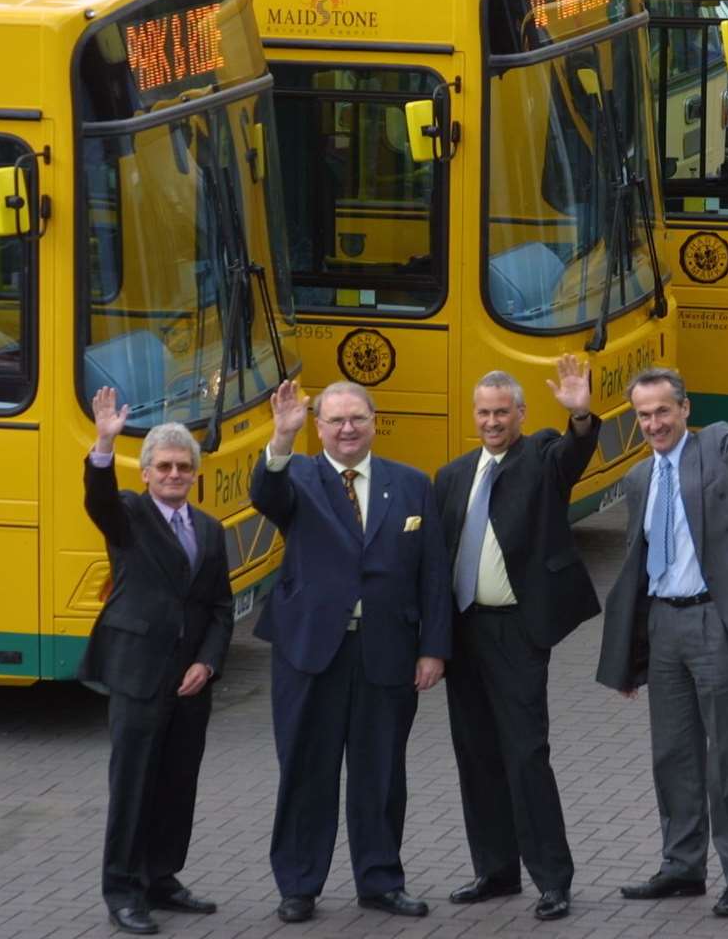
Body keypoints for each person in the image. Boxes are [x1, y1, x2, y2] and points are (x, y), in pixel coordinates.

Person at [595, 334, 728, 918]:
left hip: (715, 622)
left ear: (685, 409)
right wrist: (632, 655)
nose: (653, 423)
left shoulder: (719, 448)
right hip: (664, 628)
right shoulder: (637, 480)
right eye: (644, 414)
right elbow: (635, 575)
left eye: (662, 411)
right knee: (673, 754)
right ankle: (682, 867)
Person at [250, 379, 452, 924]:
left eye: (356, 419)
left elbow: (432, 572)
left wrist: (433, 649)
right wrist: (281, 438)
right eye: (335, 420)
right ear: (319, 427)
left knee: (381, 774)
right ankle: (299, 885)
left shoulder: (411, 485)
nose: (346, 429)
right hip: (310, 652)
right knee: (305, 771)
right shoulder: (295, 475)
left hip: (386, 652)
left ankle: (381, 880)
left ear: (373, 421)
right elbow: (264, 497)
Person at [432, 356, 601, 922]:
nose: (492, 421)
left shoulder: (542, 456)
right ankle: (495, 871)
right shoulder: (454, 475)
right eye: (484, 412)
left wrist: (580, 415)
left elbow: (573, 455)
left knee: (526, 754)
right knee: (475, 755)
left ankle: (553, 879)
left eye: (502, 412)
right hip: (465, 632)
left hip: (516, 632)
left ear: (522, 414)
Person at [79, 388, 233, 937]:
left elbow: (219, 605)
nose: (173, 474)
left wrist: (209, 663)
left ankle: (162, 877)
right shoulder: (128, 515)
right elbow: (97, 497)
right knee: (134, 783)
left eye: (182, 467)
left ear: (195, 474)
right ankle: (122, 890)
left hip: (191, 680)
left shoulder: (211, 530)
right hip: (139, 673)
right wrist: (103, 442)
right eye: (163, 466)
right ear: (144, 473)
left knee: (177, 780)